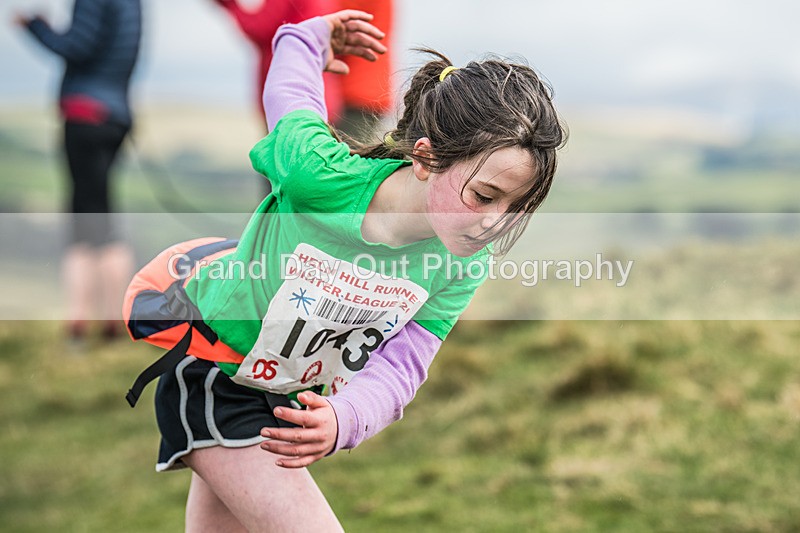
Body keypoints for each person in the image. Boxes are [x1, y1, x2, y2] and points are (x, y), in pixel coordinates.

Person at [150, 9, 565, 530]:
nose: (493, 223)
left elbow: (405, 362)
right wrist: (308, 38)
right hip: (215, 373)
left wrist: (346, 417)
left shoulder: (463, 262)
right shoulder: (319, 176)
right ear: (425, 158)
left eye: (516, 206)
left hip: (289, 404)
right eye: (484, 196)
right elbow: (292, 101)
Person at [16, 0, 142, 343]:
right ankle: (112, 319)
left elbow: (78, 46)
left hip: (85, 113)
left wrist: (36, 28)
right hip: (115, 113)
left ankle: (81, 322)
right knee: (103, 214)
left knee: (84, 219)